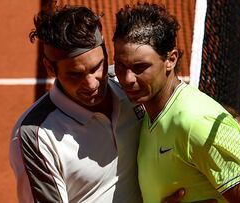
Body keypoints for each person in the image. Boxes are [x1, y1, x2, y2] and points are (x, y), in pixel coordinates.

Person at [113, 2, 240, 202]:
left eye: (140, 67)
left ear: (170, 60)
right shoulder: (150, 109)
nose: (127, 78)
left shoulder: (195, 123)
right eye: (121, 66)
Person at [9, 5, 144, 202]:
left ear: (106, 53)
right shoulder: (35, 137)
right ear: (49, 68)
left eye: (97, 67)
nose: (91, 84)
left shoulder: (131, 86)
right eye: (75, 74)